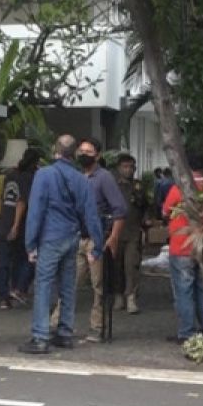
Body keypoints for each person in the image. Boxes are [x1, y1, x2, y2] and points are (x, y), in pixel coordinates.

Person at [18, 135, 103, 355]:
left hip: (50, 237)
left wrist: (30, 243)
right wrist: (98, 244)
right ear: (74, 153)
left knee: (44, 285)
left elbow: (35, 211)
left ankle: (40, 336)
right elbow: (91, 214)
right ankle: (65, 332)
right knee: (67, 285)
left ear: (55, 151)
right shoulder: (81, 179)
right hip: (72, 237)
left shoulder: (44, 175)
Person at [75, 138, 126, 343]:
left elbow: (120, 210)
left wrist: (113, 237)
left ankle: (97, 327)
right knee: (71, 282)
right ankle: (57, 324)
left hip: (97, 238)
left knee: (99, 286)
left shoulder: (104, 178)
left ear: (97, 155)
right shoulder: (77, 176)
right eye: (81, 150)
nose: (83, 154)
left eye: (88, 151)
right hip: (77, 237)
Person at [161, 153, 203, 342]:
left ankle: (187, 332)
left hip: (181, 245)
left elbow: (165, 211)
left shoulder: (180, 189)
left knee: (184, 291)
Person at [0, 148, 40, 309]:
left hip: (5, 221)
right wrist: (16, 226)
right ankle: (18, 288)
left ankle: (3, 296)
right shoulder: (28, 178)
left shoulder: (9, 175)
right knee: (24, 258)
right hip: (20, 224)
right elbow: (22, 202)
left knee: (5, 261)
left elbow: (6, 199)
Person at [113, 152, 149, 314]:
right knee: (116, 266)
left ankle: (130, 297)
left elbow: (147, 207)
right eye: (125, 167)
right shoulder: (112, 185)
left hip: (133, 231)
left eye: (131, 167)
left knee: (131, 265)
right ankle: (118, 295)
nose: (128, 170)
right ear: (118, 168)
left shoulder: (138, 186)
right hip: (115, 231)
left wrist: (147, 223)